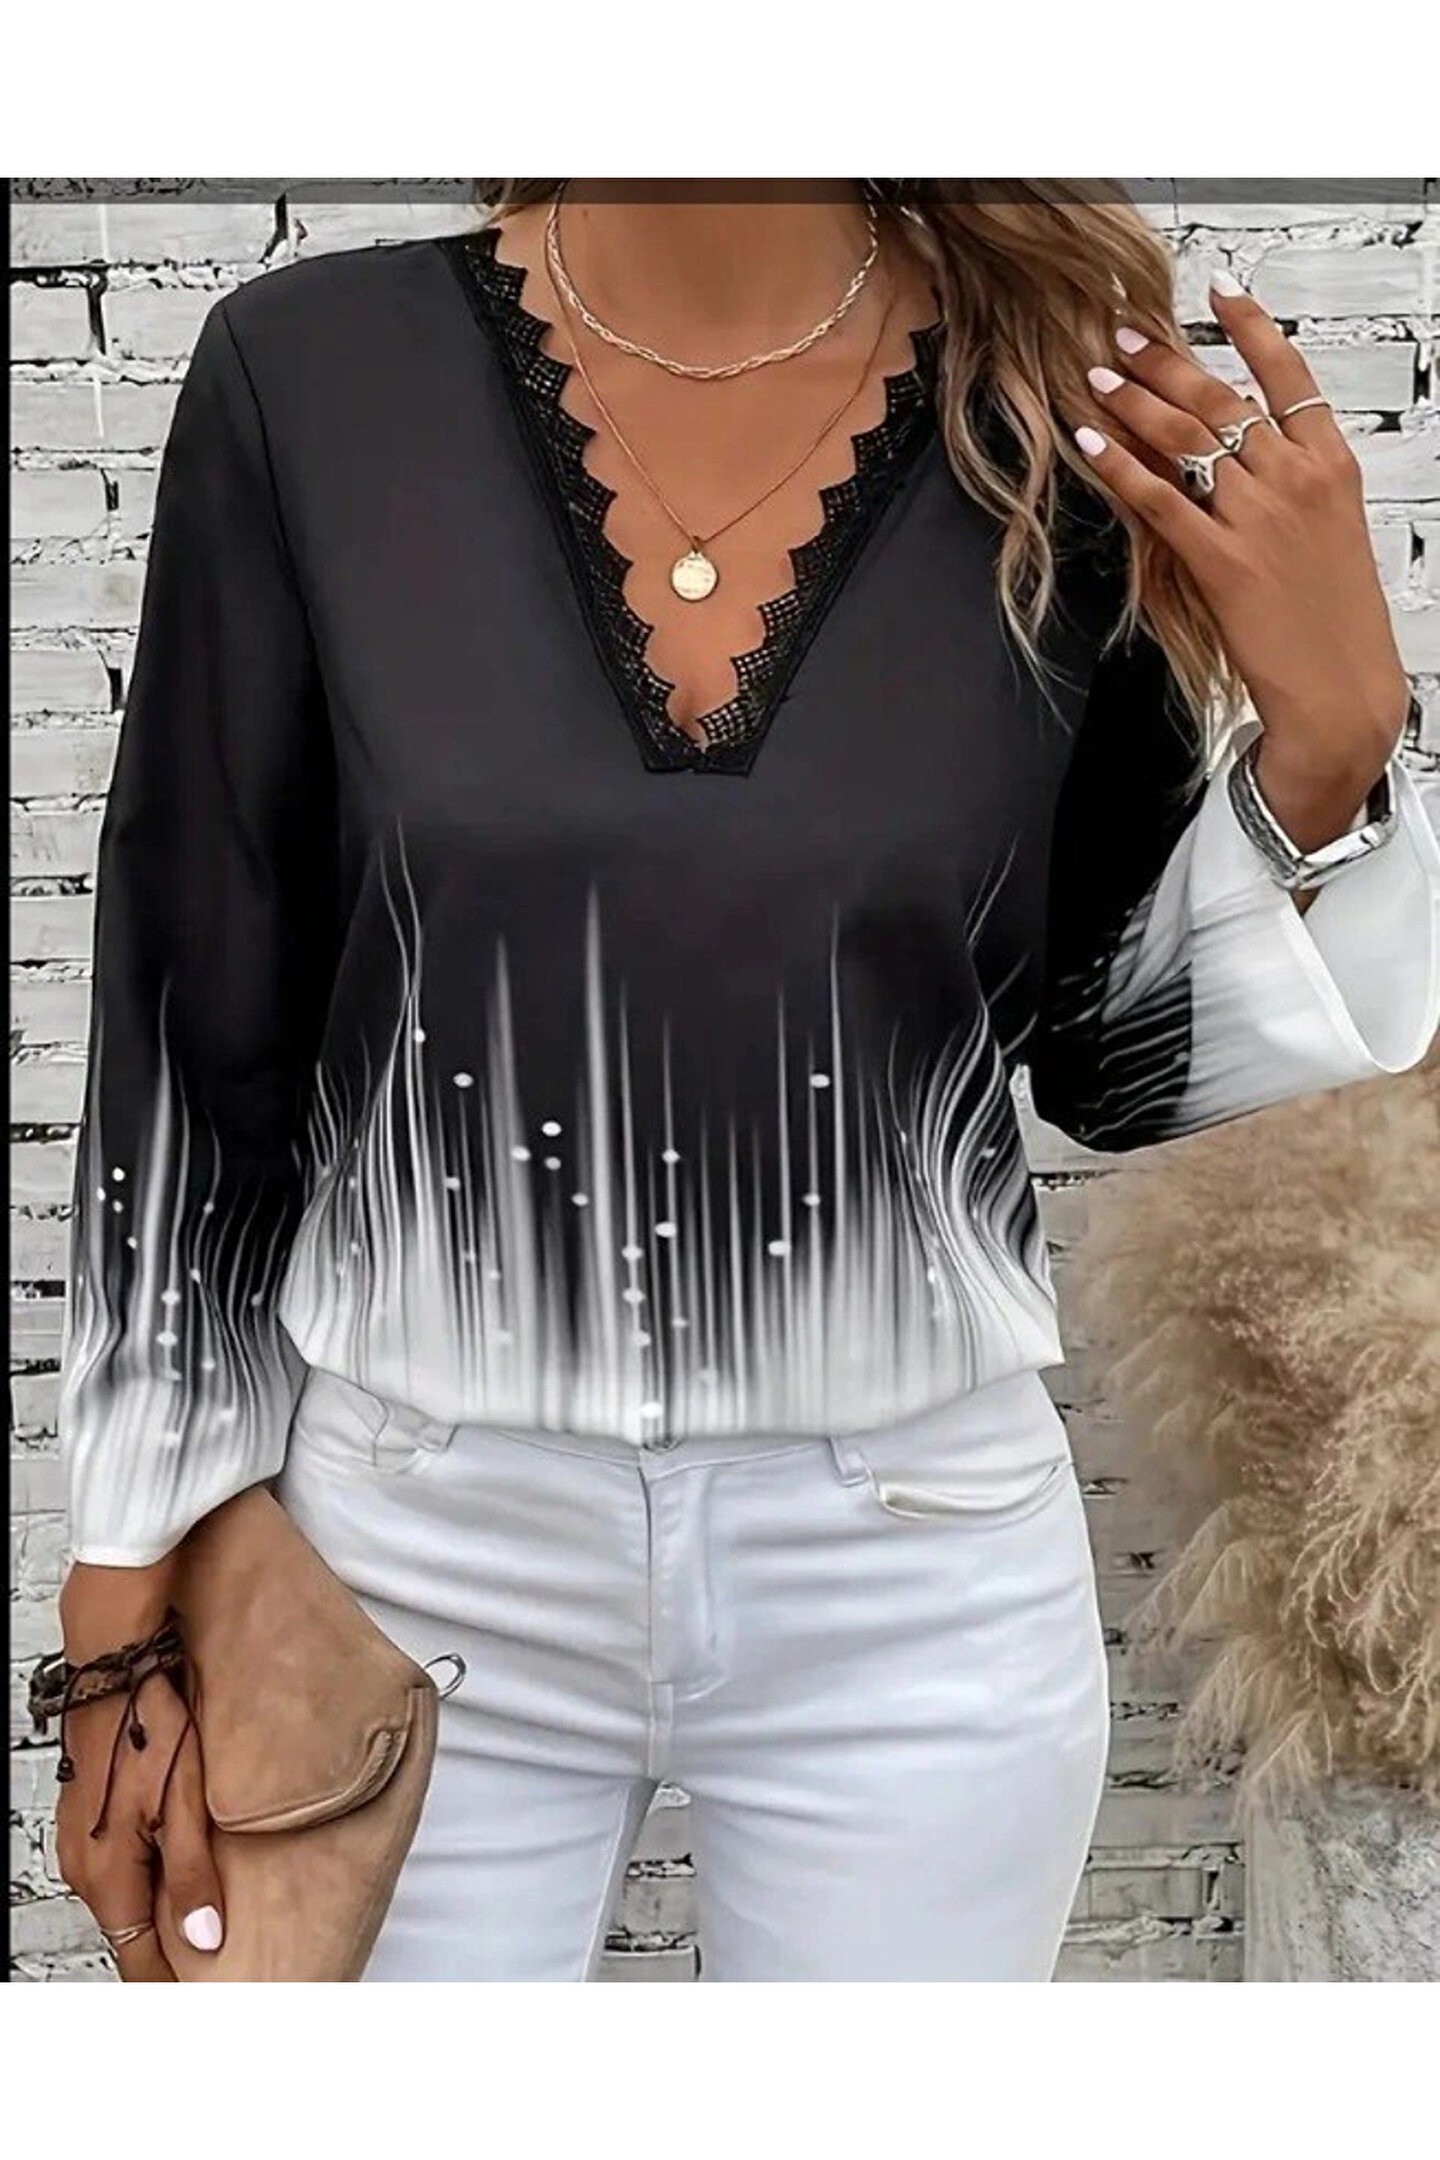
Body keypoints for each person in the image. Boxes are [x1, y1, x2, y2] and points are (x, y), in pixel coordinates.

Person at [51, 180, 1440, 1982]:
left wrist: (1330, 756)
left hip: (913, 1580)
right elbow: (200, 987)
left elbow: (1107, 1057)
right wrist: (128, 1567)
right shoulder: (310, 376)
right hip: (406, 1567)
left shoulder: (1057, 415)